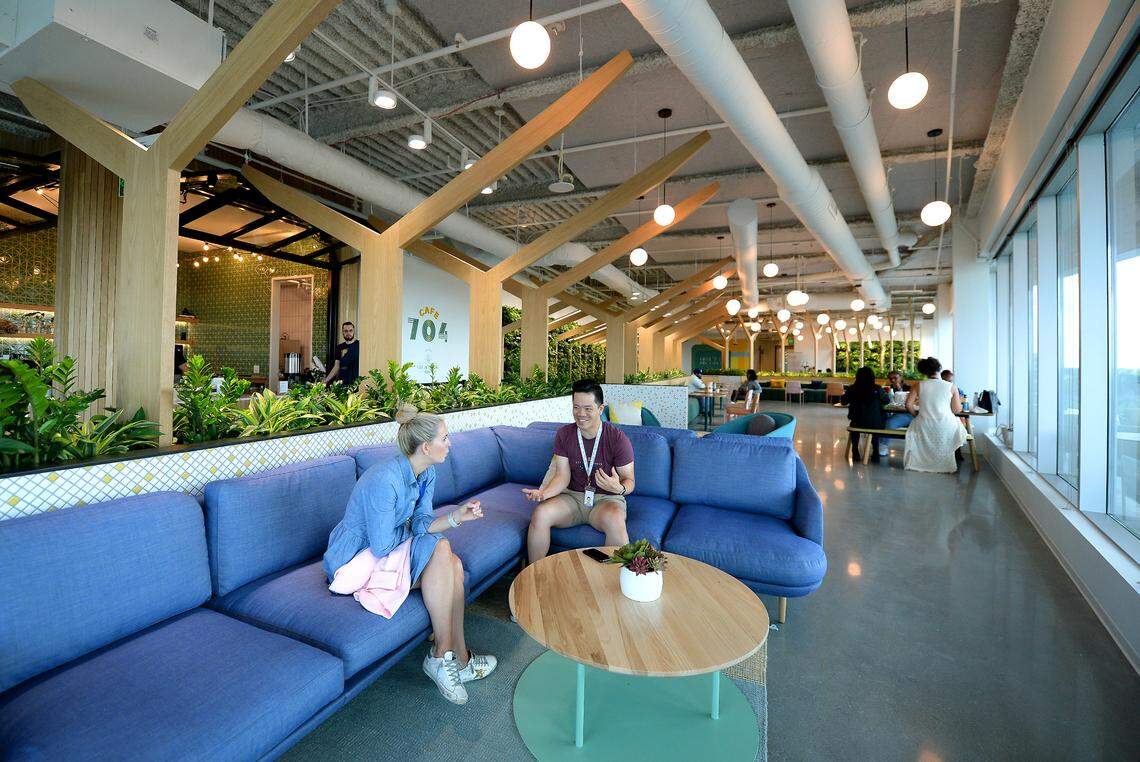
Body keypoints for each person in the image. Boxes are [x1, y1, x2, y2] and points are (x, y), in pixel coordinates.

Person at [322, 404, 496, 705]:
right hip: (356, 559)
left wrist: (458, 516)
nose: (450, 443)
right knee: (443, 551)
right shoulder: (384, 480)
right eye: (445, 438)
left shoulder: (426, 473)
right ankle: (445, 657)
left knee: (451, 563)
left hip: (387, 549)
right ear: (426, 446)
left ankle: (457, 659)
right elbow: (382, 545)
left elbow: (421, 522)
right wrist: (418, 531)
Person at [525, 379, 635, 563]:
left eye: (588, 408)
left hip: (606, 500)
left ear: (601, 409)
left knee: (616, 520)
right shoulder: (564, 434)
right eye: (576, 407)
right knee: (540, 514)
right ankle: (533, 574)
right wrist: (544, 494)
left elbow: (629, 480)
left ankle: (614, 583)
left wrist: (619, 488)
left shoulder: (617, 439)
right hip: (572, 498)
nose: (581, 414)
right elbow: (562, 475)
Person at [904, 357, 968, 473]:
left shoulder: (918, 385)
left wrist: (916, 415)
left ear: (924, 372)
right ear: (939, 369)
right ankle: (945, 463)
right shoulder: (951, 386)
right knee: (958, 425)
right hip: (945, 425)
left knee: (916, 426)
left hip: (924, 425)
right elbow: (956, 410)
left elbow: (908, 405)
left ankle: (920, 463)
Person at [841, 366, 889, 462]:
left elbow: (843, 402)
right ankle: (875, 451)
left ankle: (855, 451)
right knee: (875, 425)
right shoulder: (877, 389)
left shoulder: (852, 389)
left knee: (855, 425)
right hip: (875, 423)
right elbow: (887, 400)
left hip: (857, 421)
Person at [881, 369, 914, 455]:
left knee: (890, 422)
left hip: (906, 413)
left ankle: (883, 445)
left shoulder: (910, 389)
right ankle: (879, 443)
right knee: (880, 419)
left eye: (895, 378)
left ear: (901, 378)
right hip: (892, 411)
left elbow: (910, 403)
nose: (893, 380)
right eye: (890, 379)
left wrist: (899, 389)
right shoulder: (889, 389)